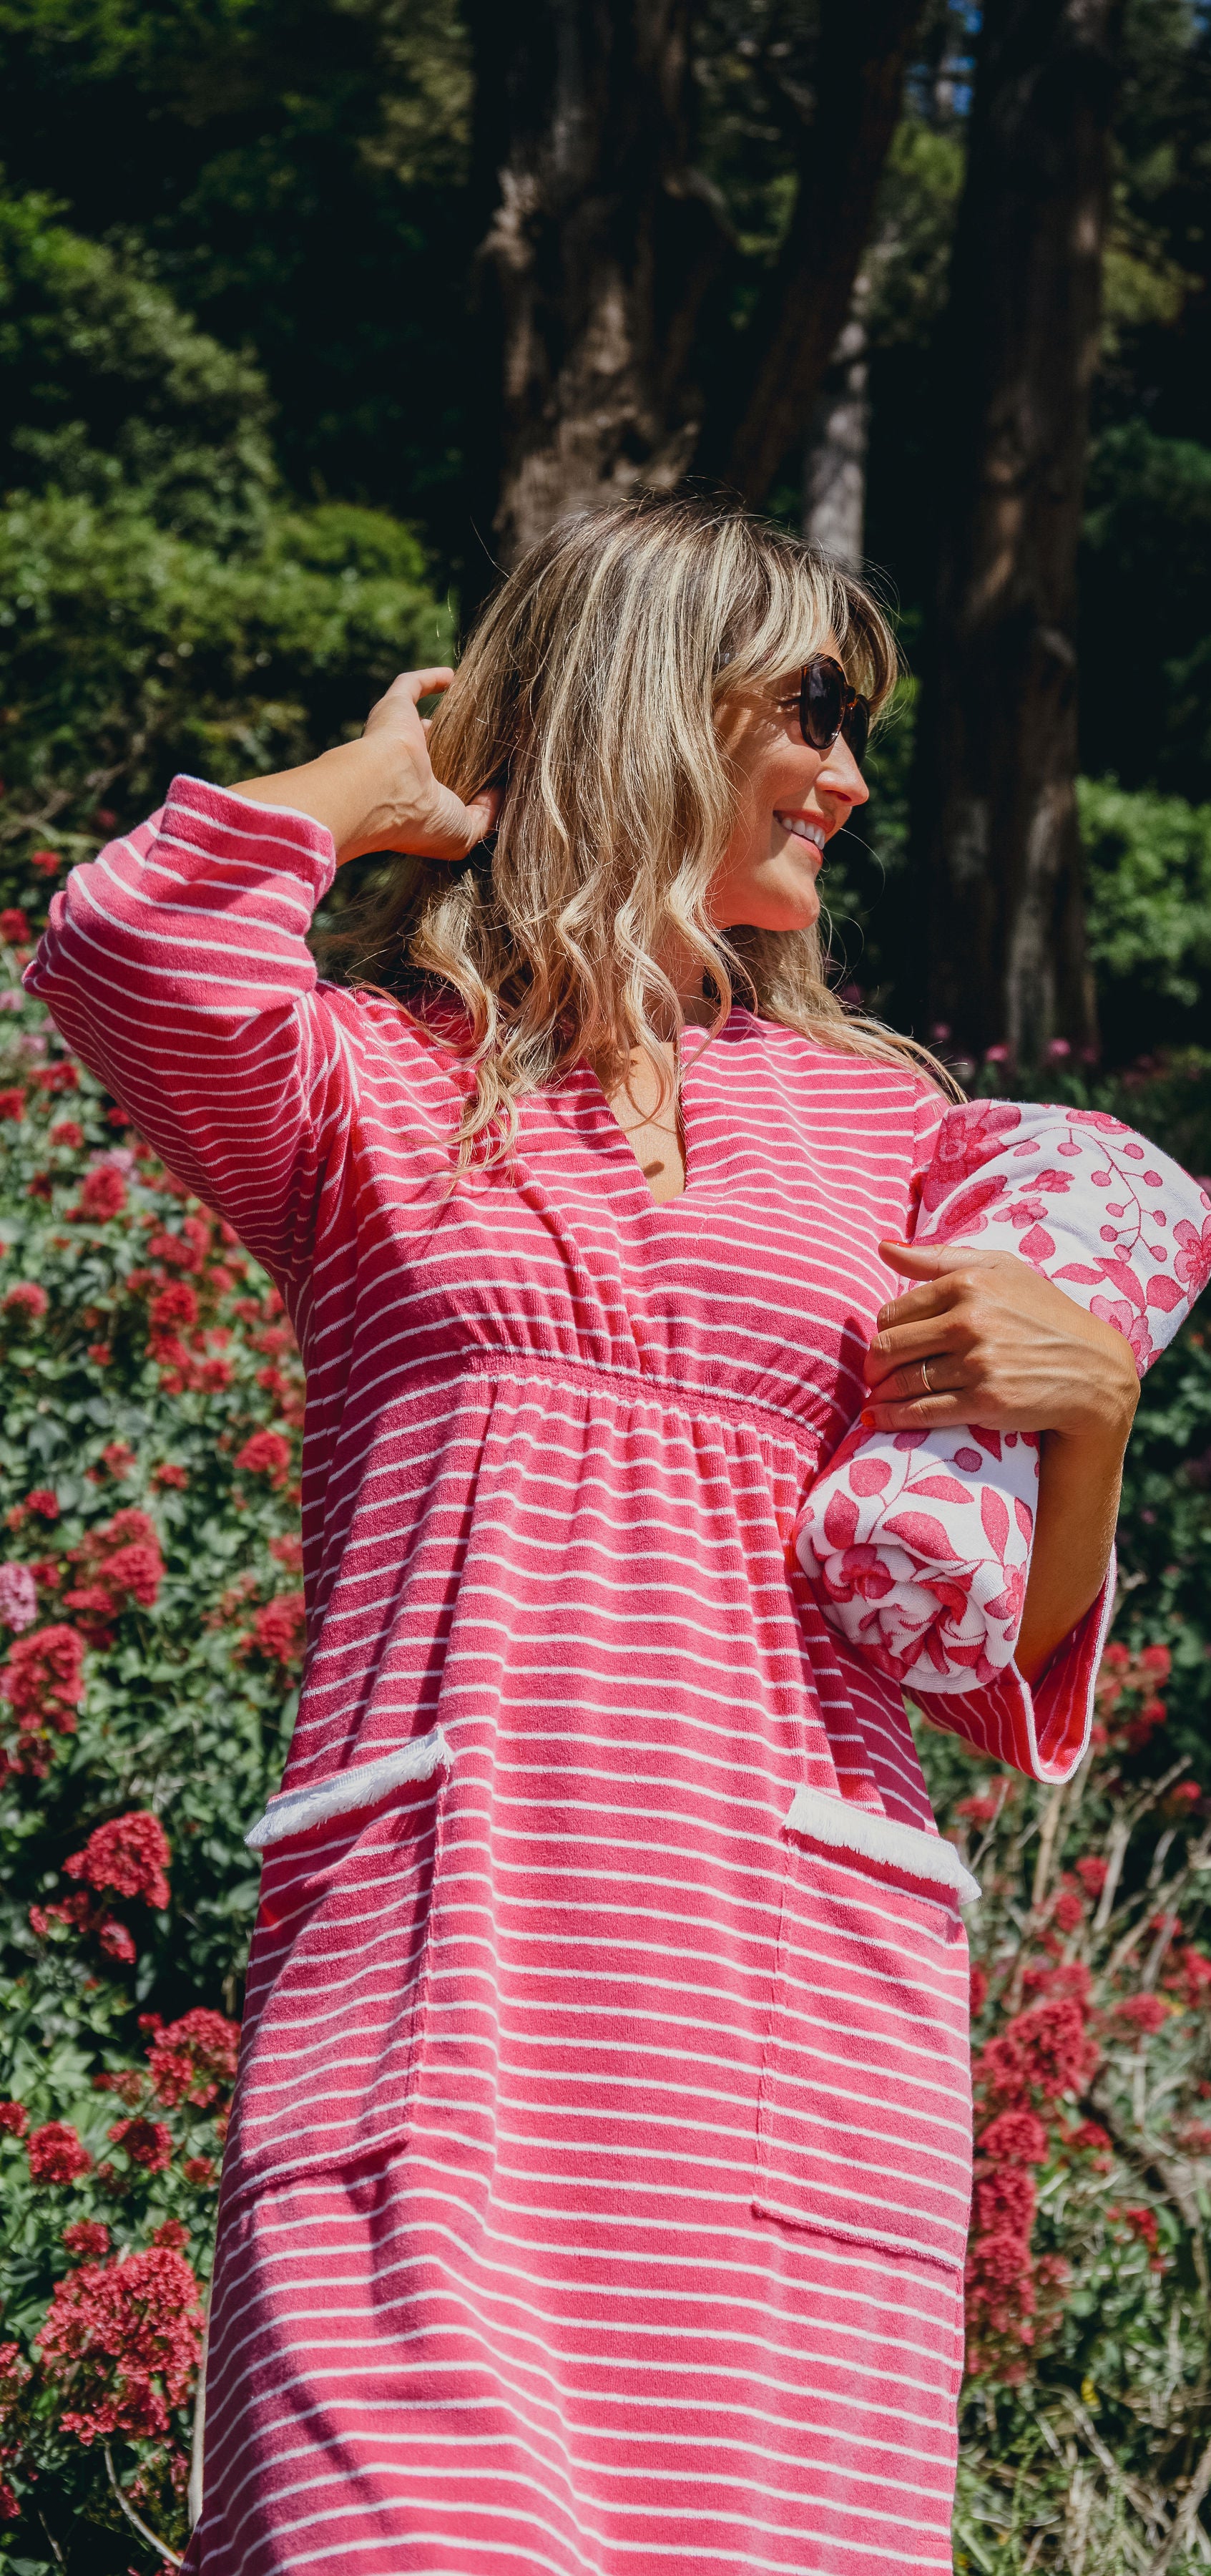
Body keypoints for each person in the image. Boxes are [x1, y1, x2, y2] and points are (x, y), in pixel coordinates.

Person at [26, 494, 1141, 2576]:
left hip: (779, 2028)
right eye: (810, 707)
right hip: (438, 2001)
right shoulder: (358, 1088)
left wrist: (1091, 1423)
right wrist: (385, 787)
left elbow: (984, 1654)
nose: (853, 771)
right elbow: (121, 939)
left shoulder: (903, 1135)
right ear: (653, 703)